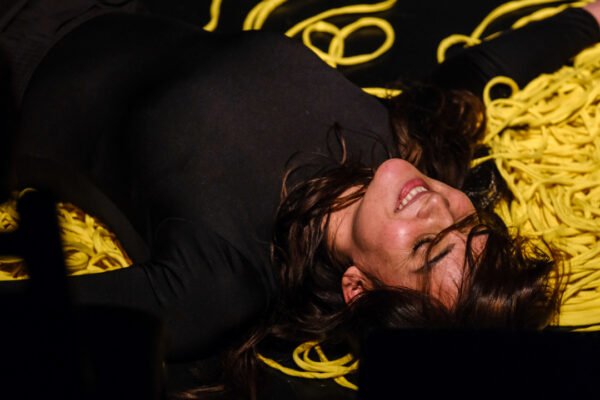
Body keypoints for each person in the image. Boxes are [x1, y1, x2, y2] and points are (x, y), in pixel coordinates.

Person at [1, 0, 600, 397]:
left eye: (427, 248)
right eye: (471, 226)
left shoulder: (227, 277)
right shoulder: (408, 146)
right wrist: (585, 19)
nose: (440, 208)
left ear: (359, 288)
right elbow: (474, 72)